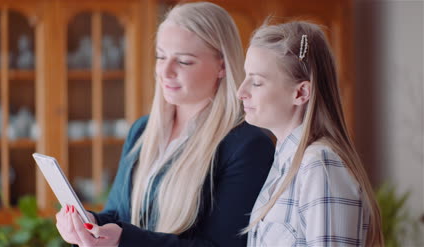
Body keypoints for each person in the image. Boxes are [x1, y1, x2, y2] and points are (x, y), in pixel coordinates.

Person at [55, 2, 274, 246]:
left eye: (184, 61)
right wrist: (87, 223)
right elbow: (119, 216)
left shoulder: (247, 146)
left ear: (222, 66)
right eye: (160, 56)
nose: (165, 71)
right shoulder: (143, 131)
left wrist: (124, 239)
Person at [237, 20, 384, 246]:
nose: (241, 91)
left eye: (256, 82)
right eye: (246, 77)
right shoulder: (285, 164)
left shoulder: (320, 165)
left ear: (301, 92)